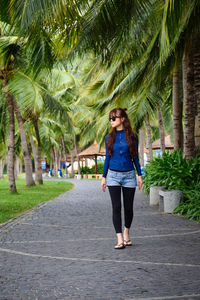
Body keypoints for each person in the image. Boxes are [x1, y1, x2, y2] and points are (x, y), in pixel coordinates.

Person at [101, 108, 143, 249]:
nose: (111, 121)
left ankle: (126, 233)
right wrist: (103, 177)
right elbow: (107, 158)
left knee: (129, 208)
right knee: (116, 207)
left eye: (114, 118)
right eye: (110, 119)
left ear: (123, 119)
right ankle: (119, 239)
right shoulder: (109, 138)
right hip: (113, 175)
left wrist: (139, 175)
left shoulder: (133, 136)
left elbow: (135, 157)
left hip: (129, 175)